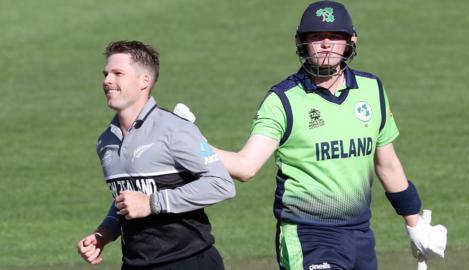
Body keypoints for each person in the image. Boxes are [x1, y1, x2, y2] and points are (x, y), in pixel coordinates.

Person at [205, 1, 447, 270]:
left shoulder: (371, 90)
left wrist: (414, 224)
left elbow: (387, 164)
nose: (326, 44)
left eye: (335, 36)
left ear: (350, 41)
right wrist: (193, 146)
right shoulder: (283, 100)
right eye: (316, 37)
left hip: (360, 237)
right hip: (308, 236)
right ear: (303, 43)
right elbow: (245, 167)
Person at [76, 40, 235, 270]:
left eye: (117, 73)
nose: (107, 80)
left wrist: (152, 203)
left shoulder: (174, 130)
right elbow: (125, 200)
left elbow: (221, 184)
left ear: (144, 81)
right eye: (106, 73)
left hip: (190, 262)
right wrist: (104, 233)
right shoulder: (105, 142)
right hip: (135, 264)